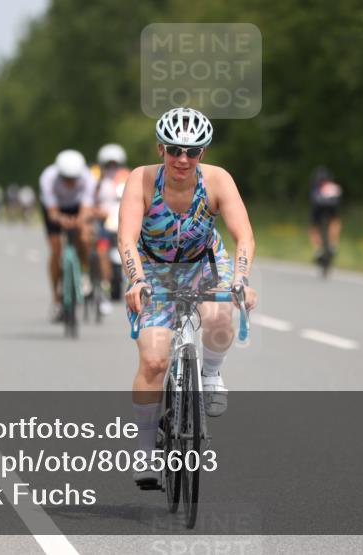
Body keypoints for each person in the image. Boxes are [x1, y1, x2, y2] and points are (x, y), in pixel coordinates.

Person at [118, 107, 257, 487]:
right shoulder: (141, 180)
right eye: (175, 150)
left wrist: (241, 279)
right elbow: (127, 238)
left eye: (192, 152)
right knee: (153, 361)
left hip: (204, 264)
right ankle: (145, 450)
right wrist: (136, 280)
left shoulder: (218, 181)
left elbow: (243, 235)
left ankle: (211, 374)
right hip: (153, 269)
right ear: (160, 148)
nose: (183, 159)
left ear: (203, 154)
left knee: (219, 315)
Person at [39, 150, 96, 322]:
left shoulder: (88, 178)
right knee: (56, 249)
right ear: (59, 174)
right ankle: (56, 297)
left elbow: (86, 209)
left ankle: (84, 273)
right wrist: (61, 220)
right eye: (66, 179)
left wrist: (80, 221)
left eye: (74, 179)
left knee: (84, 237)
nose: (70, 183)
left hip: (77, 207)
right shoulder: (48, 177)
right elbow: (52, 212)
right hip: (55, 209)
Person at [92, 143, 130, 311]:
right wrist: (96, 210)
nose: (112, 167)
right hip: (103, 220)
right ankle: (103, 282)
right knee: (101, 247)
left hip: (121, 217)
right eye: (109, 164)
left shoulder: (127, 175)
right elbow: (90, 198)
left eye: (115, 164)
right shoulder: (95, 177)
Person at [309, 166, 342, 264]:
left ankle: (318, 249)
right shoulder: (333, 186)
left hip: (318, 210)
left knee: (313, 226)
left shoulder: (315, 186)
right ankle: (332, 245)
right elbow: (339, 199)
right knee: (335, 221)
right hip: (331, 210)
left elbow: (312, 199)